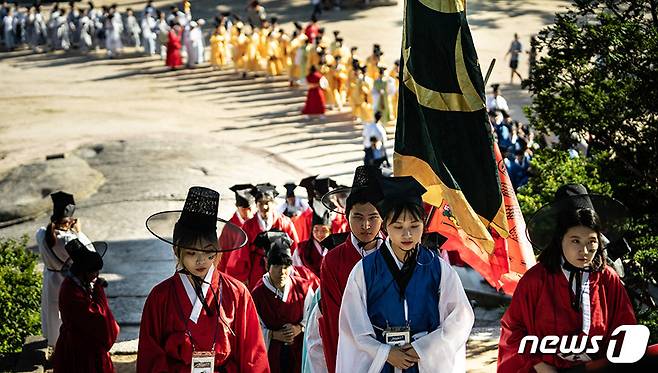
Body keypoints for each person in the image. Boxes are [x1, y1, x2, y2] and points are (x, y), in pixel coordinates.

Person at [336, 175, 474, 372]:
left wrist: (422, 349)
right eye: (398, 227)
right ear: (385, 227)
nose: (407, 235)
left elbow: (460, 317)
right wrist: (386, 353)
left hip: (423, 360)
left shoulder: (438, 268)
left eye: (414, 226)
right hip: (382, 362)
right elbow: (352, 326)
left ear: (424, 226)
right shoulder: (364, 271)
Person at [497, 184, 637, 372]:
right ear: (560, 239)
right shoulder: (535, 280)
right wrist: (539, 364)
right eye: (575, 241)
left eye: (591, 241)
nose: (585, 251)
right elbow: (513, 330)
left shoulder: (607, 279)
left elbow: (625, 330)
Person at [137, 186, 270, 372]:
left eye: (209, 253)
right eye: (191, 253)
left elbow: (253, 354)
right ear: (177, 251)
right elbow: (150, 357)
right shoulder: (160, 296)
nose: (201, 261)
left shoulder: (237, 292)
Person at [318, 165, 385, 373]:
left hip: (392, 354)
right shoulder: (332, 261)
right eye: (358, 217)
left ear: (383, 218)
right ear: (347, 217)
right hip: (351, 357)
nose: (366, 225)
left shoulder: (396, 255)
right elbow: (335, 322)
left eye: (373, 217)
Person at [251, 231, 316, 373]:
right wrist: (273, 335)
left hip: (299, 353)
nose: (282, 271)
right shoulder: (257, 295)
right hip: (271, 355)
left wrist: (299, 328)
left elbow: (314, 319)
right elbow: (252, 330)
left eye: (286, 266)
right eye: (277, 266)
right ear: (267, 264)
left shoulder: (303, 289)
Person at [35, 191, 92, 348]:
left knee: (53, 314)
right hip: (66, 282)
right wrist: (79, 232)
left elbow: (50, 235)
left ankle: (55, 345)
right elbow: (91, 254)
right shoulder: (69, 239)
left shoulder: (41, 234)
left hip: (50, 280)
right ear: (69, 222)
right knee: (67, 314)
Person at [53, 240, 119, 373]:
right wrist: (99, 291)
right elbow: (97, 316)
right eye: (94, 272)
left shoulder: (78, 283)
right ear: (83, 272)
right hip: (79, 349)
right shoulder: (71, 291)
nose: (96, 276)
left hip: (82, 342)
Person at [228, 183, 300, 290]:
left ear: (273, 203)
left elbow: (295, 252)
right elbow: (240, 255)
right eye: (260, 203)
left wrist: (292, 271)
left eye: (267, 203)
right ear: (256, 205)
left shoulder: (285, 223)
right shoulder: (248, 226)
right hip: (257, 270)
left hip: (280, 270)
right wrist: (242, 278)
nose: (264, 207)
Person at [218, 184, 256, 273]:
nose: (247, 212)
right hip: (235, 272)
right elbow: (222, 256)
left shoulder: (255, 223)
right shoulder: (230, 228)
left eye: (249, 208)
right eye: (243, 209)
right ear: (237, 206)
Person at [292, 210, 332, 277]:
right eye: (316, 230)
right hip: (307, 285)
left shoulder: (337, 248)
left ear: (330, 231)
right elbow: (296, 270)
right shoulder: (302, 248)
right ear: (312, 230)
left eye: (324, 230)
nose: (320, 234)